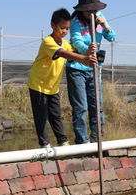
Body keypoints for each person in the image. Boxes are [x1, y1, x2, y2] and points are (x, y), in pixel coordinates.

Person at [27, 8, 97, 148]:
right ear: (53, 25)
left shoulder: (65, 43)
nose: (64, 31)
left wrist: (88, 51)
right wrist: (84, 58)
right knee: (41, 116)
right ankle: (44, 144)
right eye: (62, 28)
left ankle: (62, 141)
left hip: (53, 87)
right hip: (38, 85)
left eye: (67, 28)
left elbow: (73, 53)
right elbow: (63, 54)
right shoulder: (48, 42)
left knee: (55, 115)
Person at [66, 0, 116, 144]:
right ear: (82, 10)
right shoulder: (76, 22)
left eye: (95, 9)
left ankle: (97, 139)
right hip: (77, 68)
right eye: (89, 10)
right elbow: (76, 41)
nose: (92, 12)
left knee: (97, 106)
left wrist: (105, 26)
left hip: (94, 68)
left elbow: (112, 37)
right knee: (81, 108)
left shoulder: (99, 20)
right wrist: (86, 51)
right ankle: (82, 142)